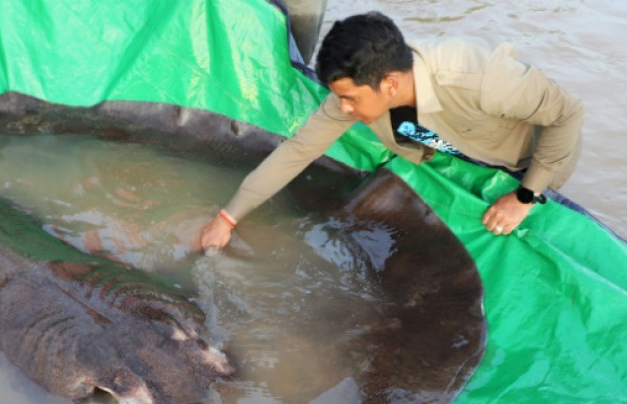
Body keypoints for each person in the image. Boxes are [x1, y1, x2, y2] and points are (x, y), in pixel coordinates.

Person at [200, 11, 583, 250]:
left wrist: (526, 195)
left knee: (526, 235)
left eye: (349, 99)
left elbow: (567, 115)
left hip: (529, 160)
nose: (342, 109)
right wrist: (228, 217)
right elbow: (298, 150)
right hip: (455, 153)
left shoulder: (477, 75)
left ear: (390, 85)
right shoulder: (358, 90)